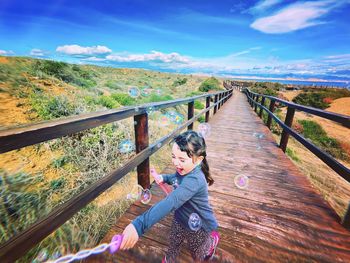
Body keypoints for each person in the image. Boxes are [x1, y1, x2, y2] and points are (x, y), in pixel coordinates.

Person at [120, 130, 220, 262]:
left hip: (199, 224)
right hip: (180, 217)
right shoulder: (184, 169)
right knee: (174, 241)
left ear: (198, 160)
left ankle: (211, 243)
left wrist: (139, 225)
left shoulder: (195, 179)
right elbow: (176, 178)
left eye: (181, 159)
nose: (176, 162)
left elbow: (171, 201)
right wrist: (164, 177)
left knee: (198, 254)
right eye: (173, 156)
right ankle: (169, 259)